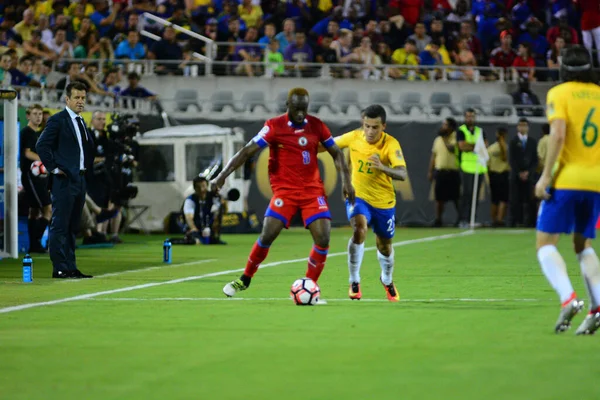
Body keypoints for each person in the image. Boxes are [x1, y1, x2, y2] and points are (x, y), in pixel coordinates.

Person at [212, 88, 354, 297]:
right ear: (288, 105)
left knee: (323, 238)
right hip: (285, 192)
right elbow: (247, 150)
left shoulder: (316, 125)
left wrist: (346, 182)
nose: (300, 114)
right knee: (267, 234)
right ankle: (245, 279)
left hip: (312, 191)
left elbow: (336, 153)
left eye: (304, 109)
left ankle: (309, 286)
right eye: (296, 109)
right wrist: (222, 175)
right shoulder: (274, 127)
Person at [534, 46, 600, 334]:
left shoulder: (559, 93)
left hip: (568, 178)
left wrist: (545, 176)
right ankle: (597, 307)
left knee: (545, 243)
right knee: (582, 245)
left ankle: (568, 298)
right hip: (596, 182)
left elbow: (558, 134)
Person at [332, 105, 407, 301]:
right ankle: (354, 280)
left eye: (375, 127)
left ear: (384, 126)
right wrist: (344, 178)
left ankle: (387, 279)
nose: (370, 131)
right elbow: (328, 146)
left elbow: (402, 173)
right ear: (362, 124)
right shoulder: (353, 137)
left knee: (384, 245)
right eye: (367, 126)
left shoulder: (391, 144)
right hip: (359, 196)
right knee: (359, 229)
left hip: (384, 201)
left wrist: (383, 168)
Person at [36, 81, 95, 279]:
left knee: (72, 226)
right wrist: (54, 168)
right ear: (67, 99)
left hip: (79, 179)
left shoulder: (80, 121)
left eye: (83, 98)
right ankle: (59, 267)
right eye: (77, 98)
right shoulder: (58, 120)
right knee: (60, 225)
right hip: (64, 181)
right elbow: (42, 145)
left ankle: (70, 266)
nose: (81, 102)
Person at [19, 103, 49, 253]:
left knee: (34, 211)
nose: (38, 116)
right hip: (31, 177)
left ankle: (33, 245)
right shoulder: (27, 132)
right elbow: (27, 153)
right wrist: (45, 161)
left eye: (40, 113)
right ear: (28, 115)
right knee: (48, 210)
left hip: (39, 177)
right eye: (35, 113)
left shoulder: (39, 133)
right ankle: (36, 242)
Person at [457, 108, 487, 227]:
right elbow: (462, 146)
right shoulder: (461, 130)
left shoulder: (480, 131)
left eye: (472, 116)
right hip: (467, 166)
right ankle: (463, 219)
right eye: (468, 116)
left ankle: (472, 219)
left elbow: (485, 145)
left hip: (478, 166)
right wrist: (476, 147)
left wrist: (472, 146)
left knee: (475, 194)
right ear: (465, 117)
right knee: (467, 194)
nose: (470, 119)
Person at [428, 117, 460, 227]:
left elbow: (451, 149)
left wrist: (445, 138)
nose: (443, 127)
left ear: (451, 127)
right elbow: (434, 156)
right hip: (440, 171)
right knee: (439, 198)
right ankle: (438, 219)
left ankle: (460, 219)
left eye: (445, 125)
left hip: (452, 171)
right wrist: (430, 171)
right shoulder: (437, 139)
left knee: (456, 198)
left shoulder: (456, 137)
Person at [509, 118, 538, 227]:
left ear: (528, 127)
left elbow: (535, 160)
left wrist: (528, 172)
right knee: (516, 199)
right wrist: (519, 172)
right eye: (520, 125)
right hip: (516, 176)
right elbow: (512, 159)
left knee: (530, 199)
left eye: (524, 125)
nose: (522, 127)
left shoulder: (532, 142)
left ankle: (530, 222)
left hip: (529, 176)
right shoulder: (513, 141)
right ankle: (516, 221)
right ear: (517, 127)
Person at [182, 176, 224, 245]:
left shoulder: (214, 198)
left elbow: (219, 212)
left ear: (207, 186)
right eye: (198, 187)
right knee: (196, 241)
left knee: (217, 242)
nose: (201, 190)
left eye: (203, 186)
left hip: (209, 230)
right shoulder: (190, 200)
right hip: (196, 230)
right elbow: (189, 218)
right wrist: (193, 229)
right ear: (194, 188)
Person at [487, 127, 510, 227]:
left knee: (494, 199)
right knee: (503, 199)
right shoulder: (507, 148)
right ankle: (500, 219)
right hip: (504, 175)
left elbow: (487, 164)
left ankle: (494, 220)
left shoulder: (491, 149)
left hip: (493, 175)